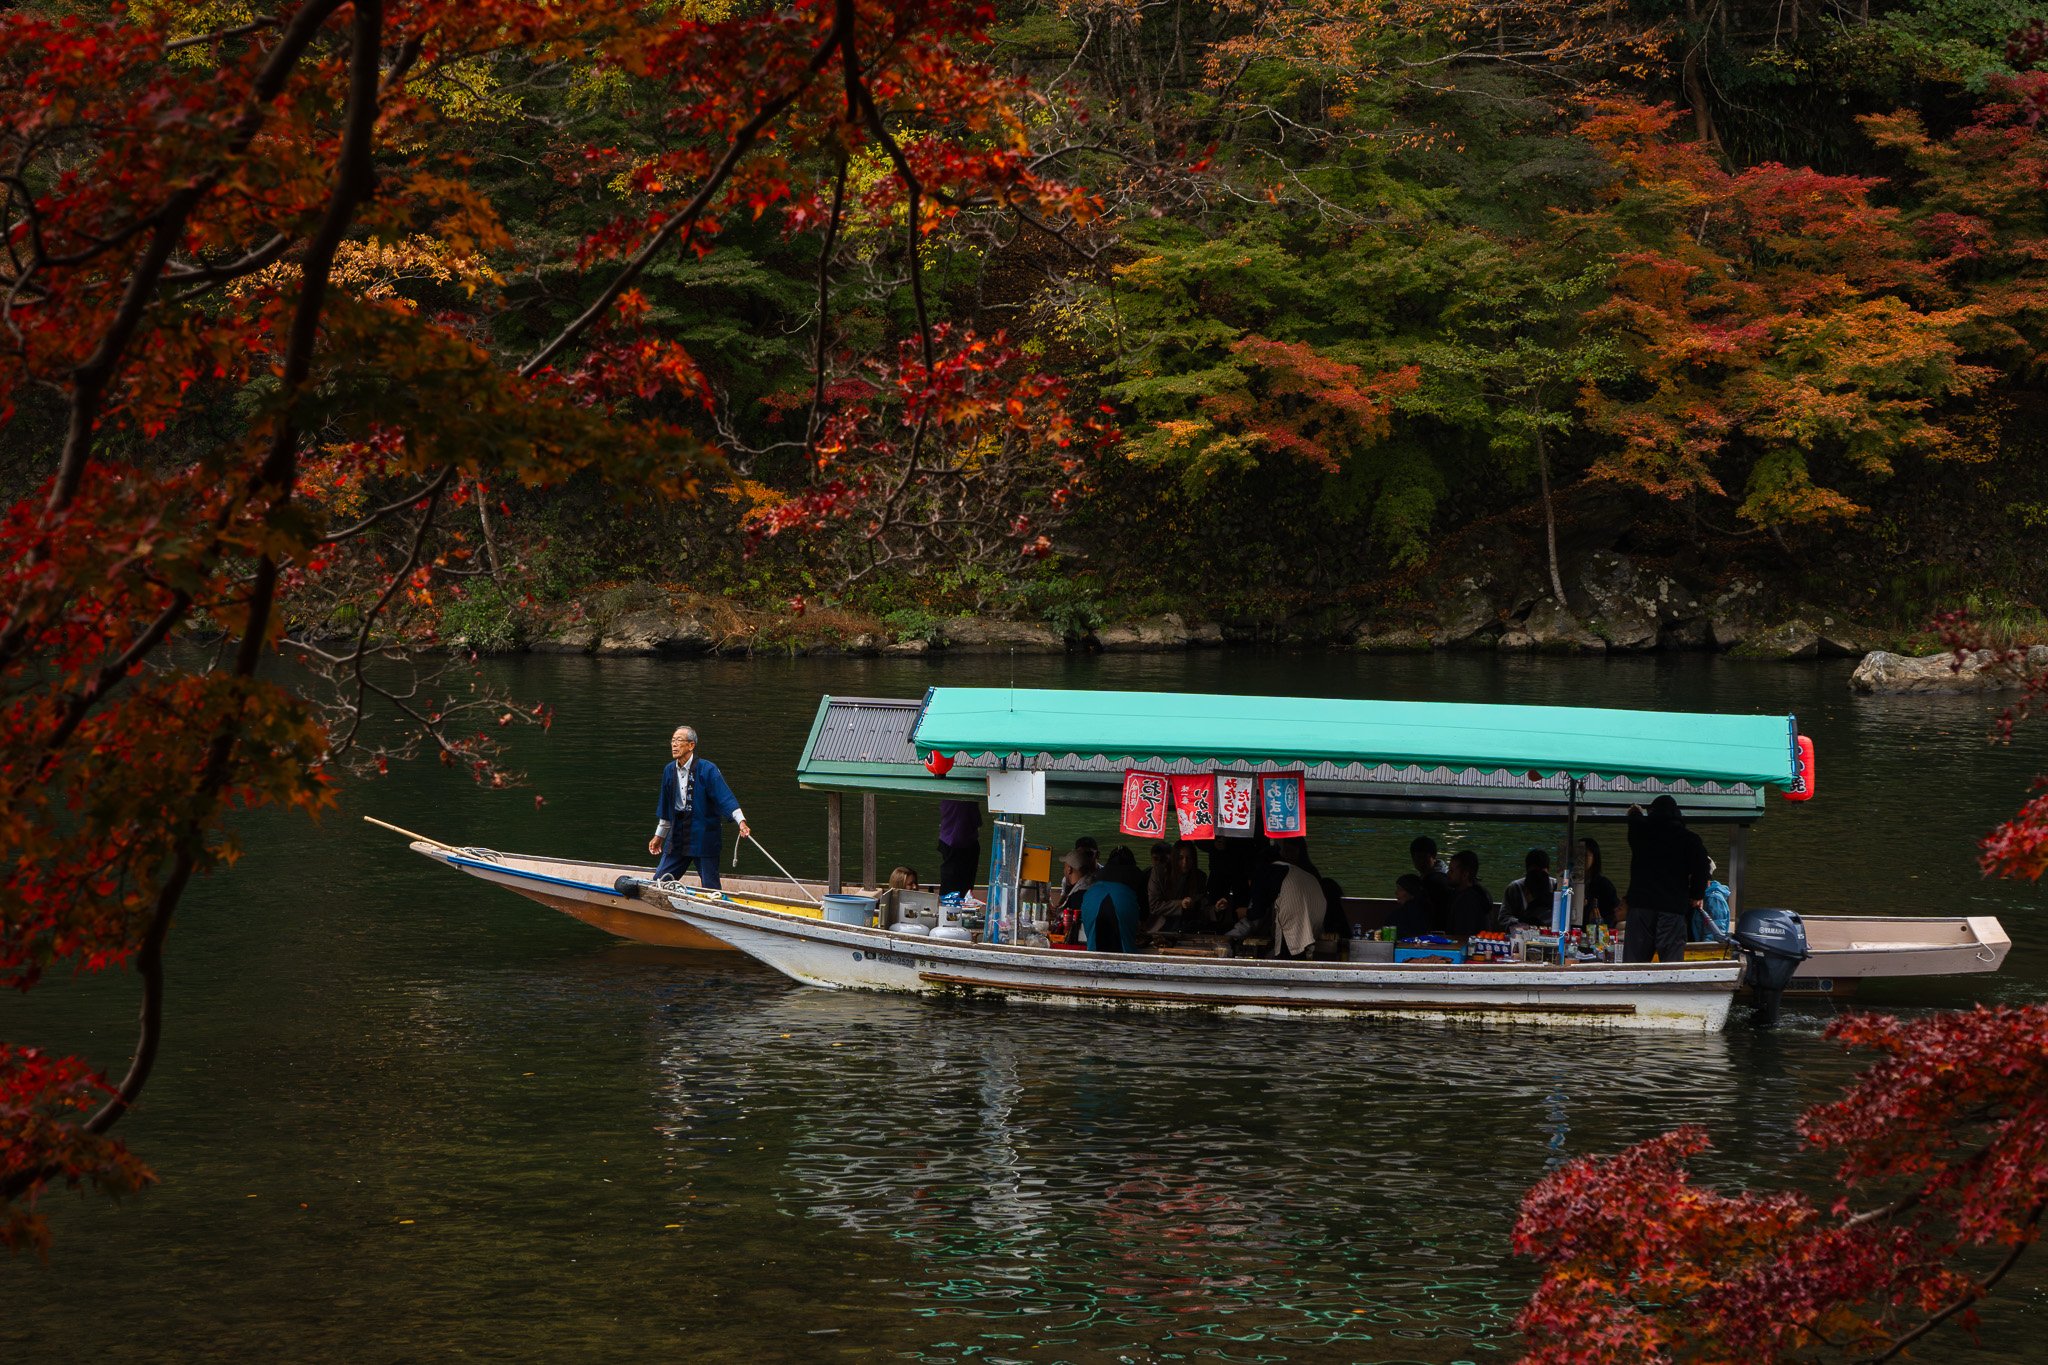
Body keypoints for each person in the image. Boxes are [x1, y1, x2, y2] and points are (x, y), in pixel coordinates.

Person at [648, 724, 750, 889]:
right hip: (678, 836)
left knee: (710, 887)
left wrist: (741, 822)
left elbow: (725, 798)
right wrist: (659, 836)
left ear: (691, 745)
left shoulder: (707, 769)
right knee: (659, 883)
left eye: (679, 740)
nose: (674, 744)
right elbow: (666, 809)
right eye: (672, 740)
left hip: (703, 834)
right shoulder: (669, 771)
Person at [1623, 795, 1711, 963]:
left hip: (1641, 907)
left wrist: (1635, 811)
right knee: (1671, 966)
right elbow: (1702, 868)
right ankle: (1669, 989)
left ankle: (1632, 988)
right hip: (1672, 908)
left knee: (1634, 965)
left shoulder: (1639, 831)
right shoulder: (1688, 839)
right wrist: (1696, 895)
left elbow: (1634, 818)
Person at [1241, 841, 1325, 959]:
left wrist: (1244, 912)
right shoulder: (1298, 871)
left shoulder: (1265, 871)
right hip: (1318, 913)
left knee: (1287, 955)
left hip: (1296, 914)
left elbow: (1257, 912)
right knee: (1301, 951)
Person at [1079, 846, 1146, 952]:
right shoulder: (1137, 873)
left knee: (1094, 947)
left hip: (1091, 902)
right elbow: (1144, 908)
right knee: (1126, 951)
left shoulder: (1100, 872)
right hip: (1122, 902)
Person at [1496, 848, 1555, 932]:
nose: (1538, 877)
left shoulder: (1556, 887)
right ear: (1527, 871)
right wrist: (1520, 923)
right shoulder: (1515, 888)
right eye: (1534, 873)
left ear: (1548, 871)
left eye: (1542, 873)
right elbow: (1503, 918)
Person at [937, 798, 982, 897]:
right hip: (957, 841)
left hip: (955, 839)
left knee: (956, 880)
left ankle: (959, 900)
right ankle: (952, 904)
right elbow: (977, 821)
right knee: (954, 881)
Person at [1444, 850, 1493, 940]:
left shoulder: (1468, 901)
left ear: (1465, 874)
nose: (1447, 874)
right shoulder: (1478, 892)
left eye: (1451, 871)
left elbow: (1462, 937)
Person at [1409, 836, 1452, 931]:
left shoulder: (1437, 880)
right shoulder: (1429, 876)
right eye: (1416, 858)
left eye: (1424, 858)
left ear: (1434, 856)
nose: (1420, 862)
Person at [1577, 838, 1621, 930]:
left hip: (1595, 932)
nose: (1580, 859)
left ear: (1595, 858)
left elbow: (1613, 915)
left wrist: (1599, 921)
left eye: (1585, 855)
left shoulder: (1604, 885)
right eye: (1577, 855)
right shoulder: (1567, 883)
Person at [1392, 874, 1433, 939]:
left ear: (1411, 892)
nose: (1396, 892)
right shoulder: (1427, 908)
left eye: (1400, 889)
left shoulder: (1402, 913)